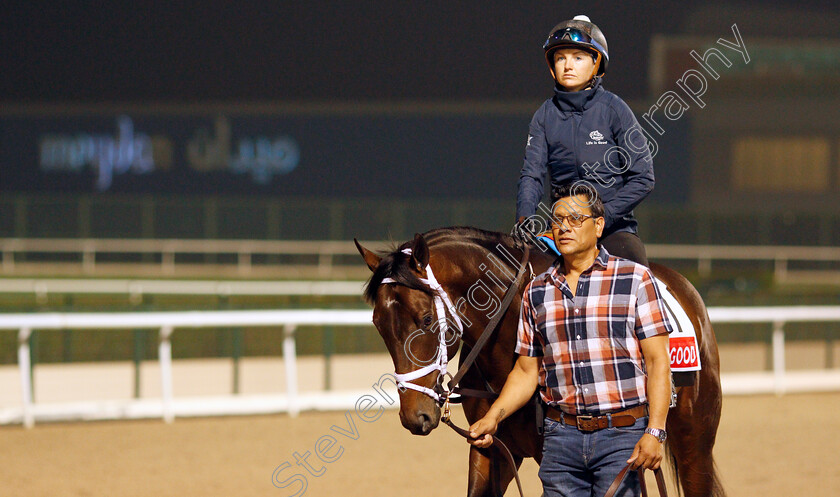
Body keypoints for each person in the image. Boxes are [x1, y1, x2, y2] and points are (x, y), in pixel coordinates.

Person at [472, 184, 672, 496]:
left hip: (621, 438)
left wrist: (656, 431)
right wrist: (493, 417)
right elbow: (526, 372)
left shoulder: (635, 279)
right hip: (559, 441)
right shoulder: (536, 291)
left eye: (576, 219)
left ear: (599, 225)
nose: (564, 226)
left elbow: (658, 361)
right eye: (557, 220)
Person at [516, 15, 654, 266]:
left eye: (578, 58)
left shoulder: (615, 110)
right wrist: (525, 216)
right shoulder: (543, 116)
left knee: (634, 269)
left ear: (596, 64)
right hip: (562, 229)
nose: (568, 65)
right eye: (560, 58)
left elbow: (643, 178)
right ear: (552, 66)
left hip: (612, 229)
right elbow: (532, 175)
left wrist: (601, 218)